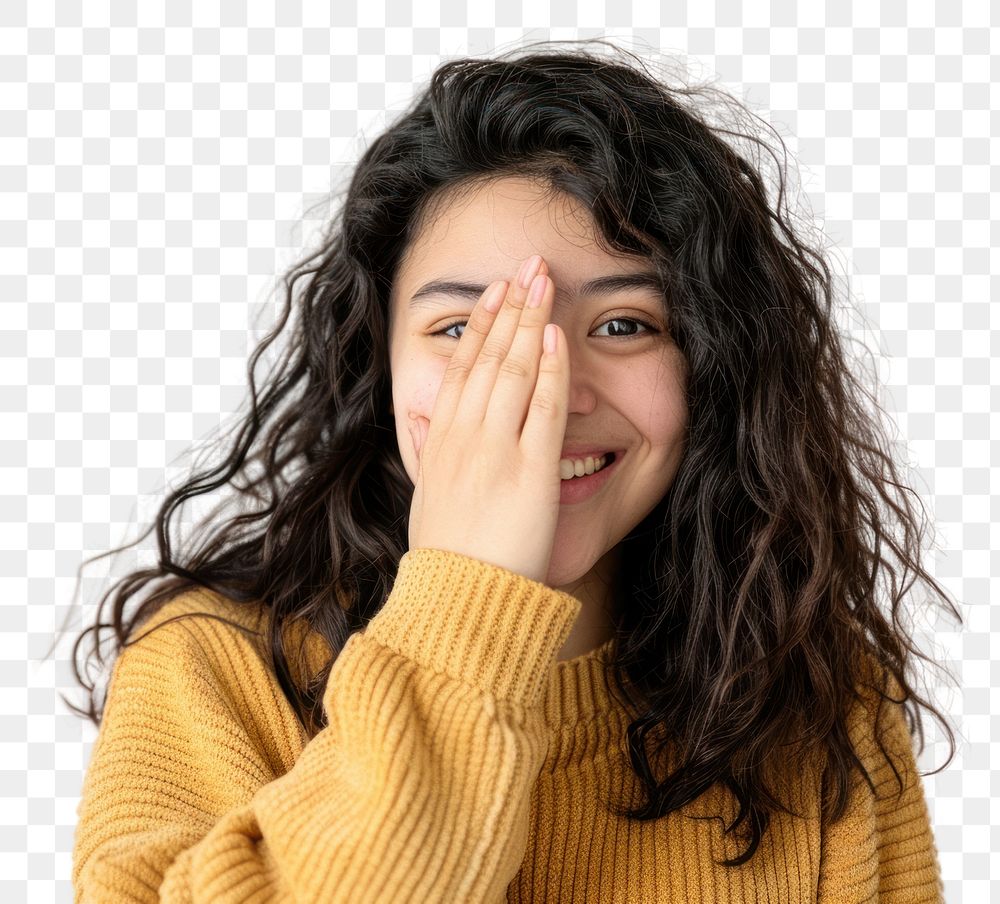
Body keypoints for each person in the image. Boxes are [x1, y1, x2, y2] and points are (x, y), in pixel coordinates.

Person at [69, 41, 957, 902]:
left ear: (711, 367)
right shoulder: (208, 668)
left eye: (622, 325)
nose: (544, 389)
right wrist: (467, 598)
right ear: (378, 370)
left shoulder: (814, 704)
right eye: (464, 332)